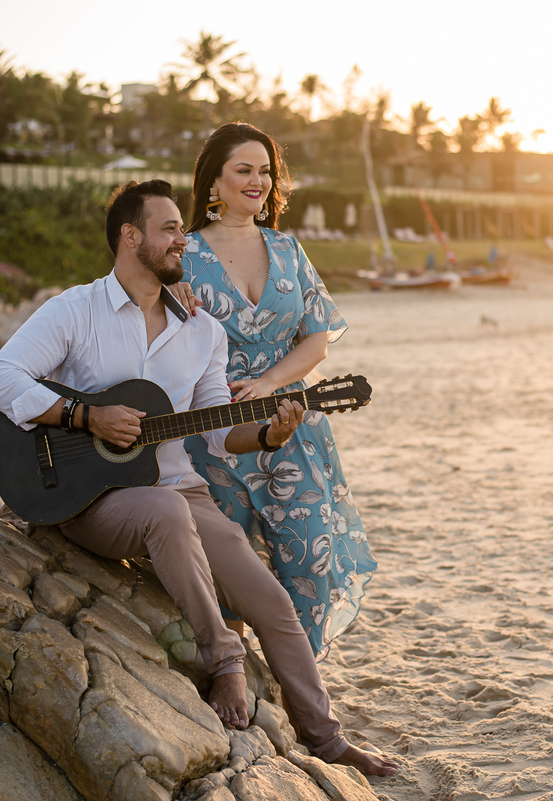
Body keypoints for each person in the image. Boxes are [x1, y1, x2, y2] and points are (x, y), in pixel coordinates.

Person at [0, 179, 398, 777]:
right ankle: (224, 660)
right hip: (87, 498)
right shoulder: (76, 310)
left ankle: (327, 739)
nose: (183, 239)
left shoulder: (202, 331)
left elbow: (221, 433)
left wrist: (270, 435)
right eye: (170, 229)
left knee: (273, 602)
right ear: (130, 237)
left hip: (179, 488)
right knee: (166, 512)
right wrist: (85, 417)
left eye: (182, 228)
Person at [180, 122, 377, 660]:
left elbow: (317, 340)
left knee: (309, 555)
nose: (258, 181)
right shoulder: (184, 256)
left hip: (293, 421)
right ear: (213, 182)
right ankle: (236, 674)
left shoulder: (288, 249)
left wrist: (269, 382)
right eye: (243, 170)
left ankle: (302, 683)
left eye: (265, 171)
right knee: (229, 565)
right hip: (212, 429)